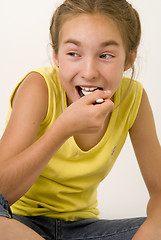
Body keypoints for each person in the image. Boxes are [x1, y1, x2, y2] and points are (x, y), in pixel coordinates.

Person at [0, 0, 161, 239]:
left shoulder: (134, 98)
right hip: (18, 223)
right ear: (55, 55)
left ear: (129, 58)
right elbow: (2, 192)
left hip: (85, 231)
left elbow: (158, 189)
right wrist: (61, 130)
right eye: (74, 53)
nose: (88, 72)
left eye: (105, 55)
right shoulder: (39, 87)